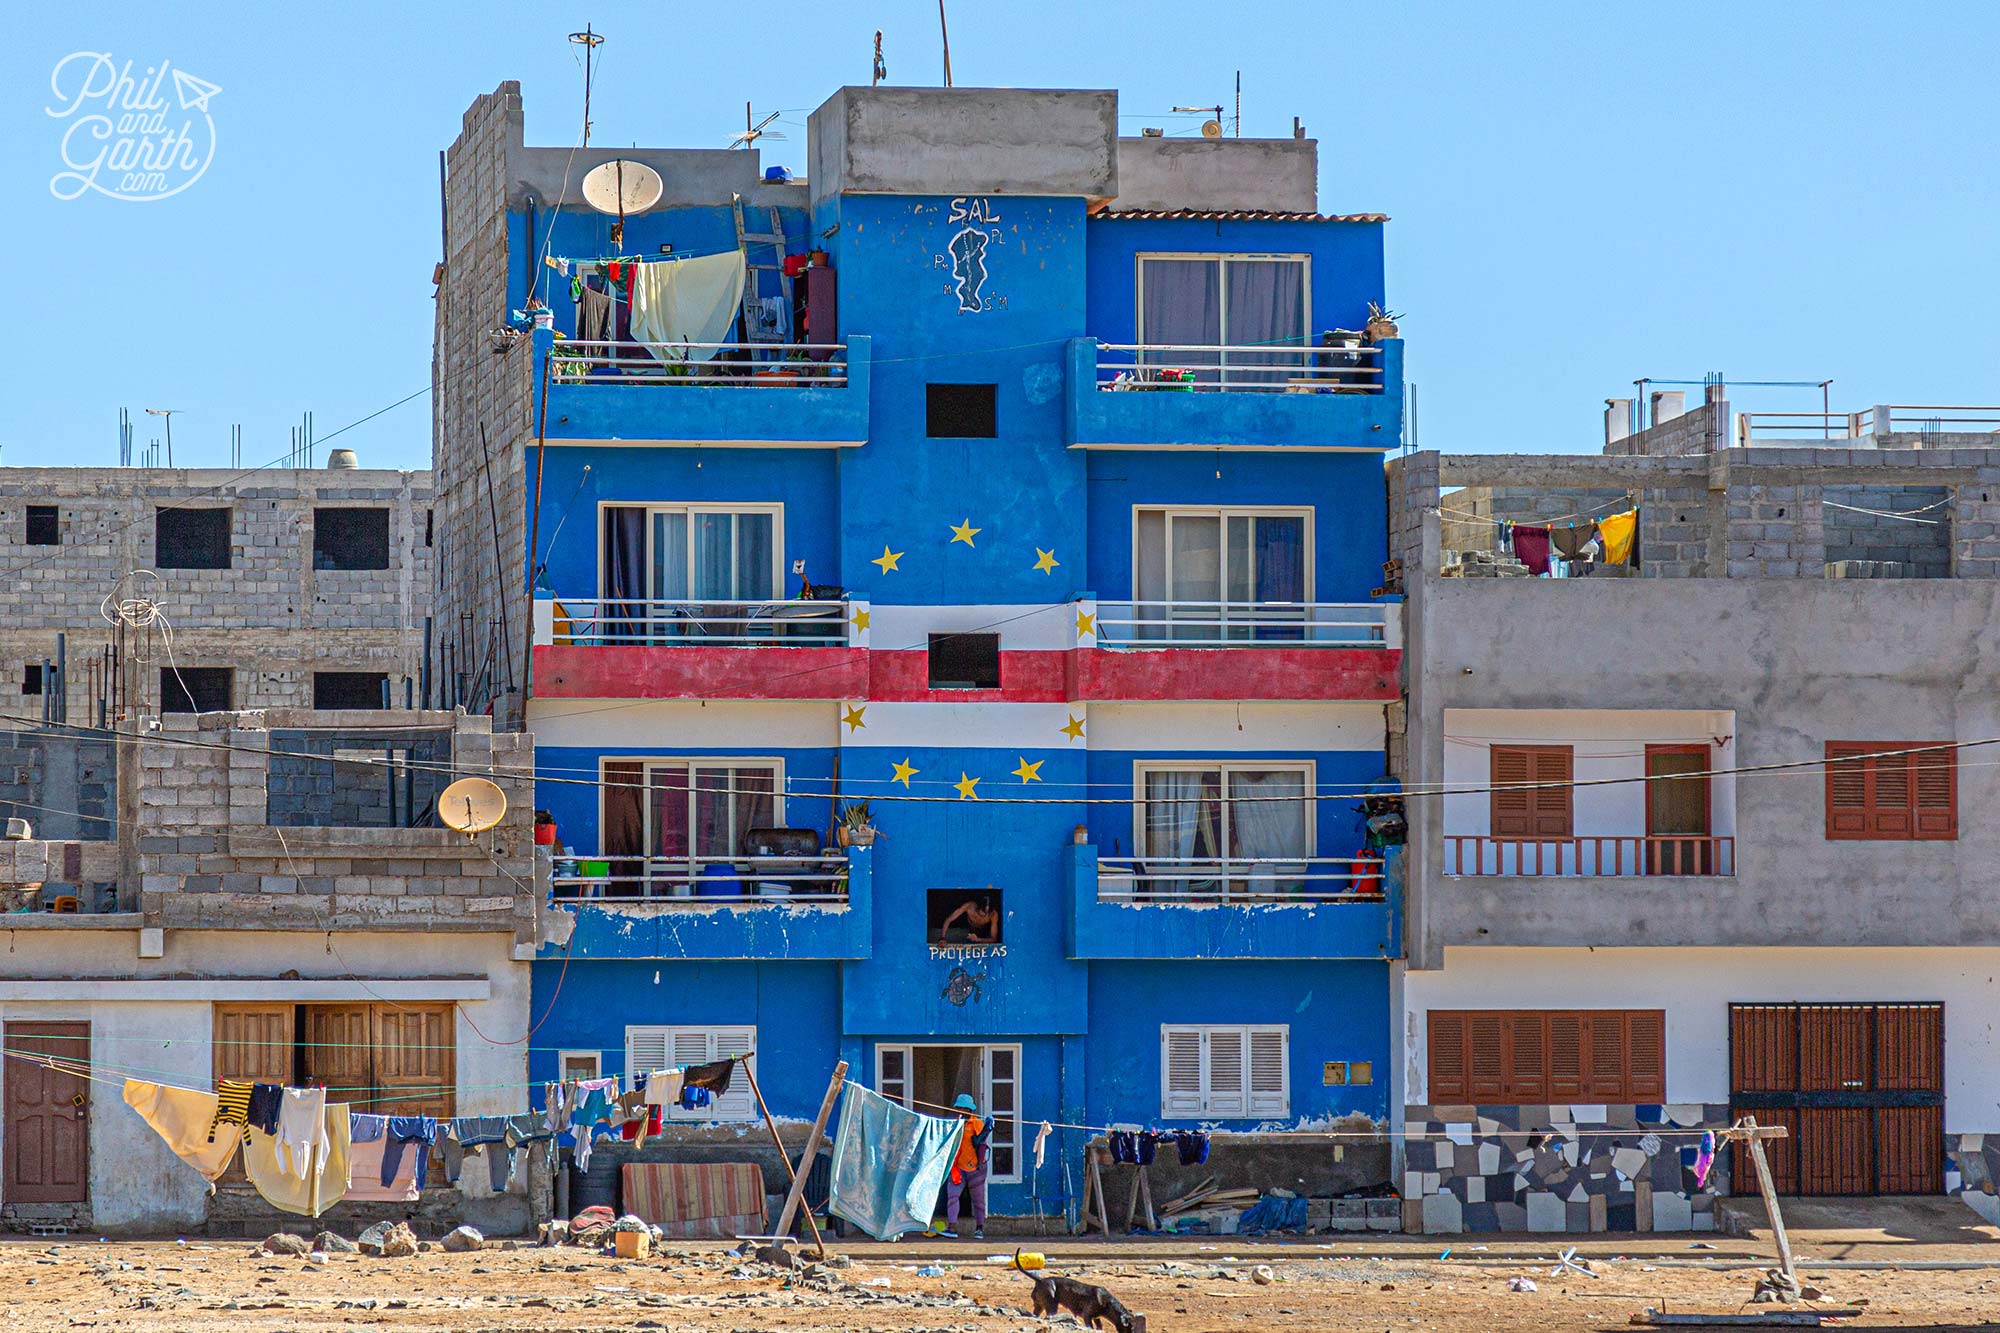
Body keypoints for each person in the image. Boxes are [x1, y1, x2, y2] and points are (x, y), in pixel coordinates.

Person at [939, 1093, 991, 1239]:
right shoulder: (955, 1124)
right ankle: (952, 1227)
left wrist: (980, 1163)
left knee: (978, 1200)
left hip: (976, 1168)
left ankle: (980, 1228)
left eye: (963, 1108)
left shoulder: (977, 1124)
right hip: (958, 1168)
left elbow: (982, 1144)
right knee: (953, 1197)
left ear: (970, 1110)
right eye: (958, 1108)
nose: (960, 1111)